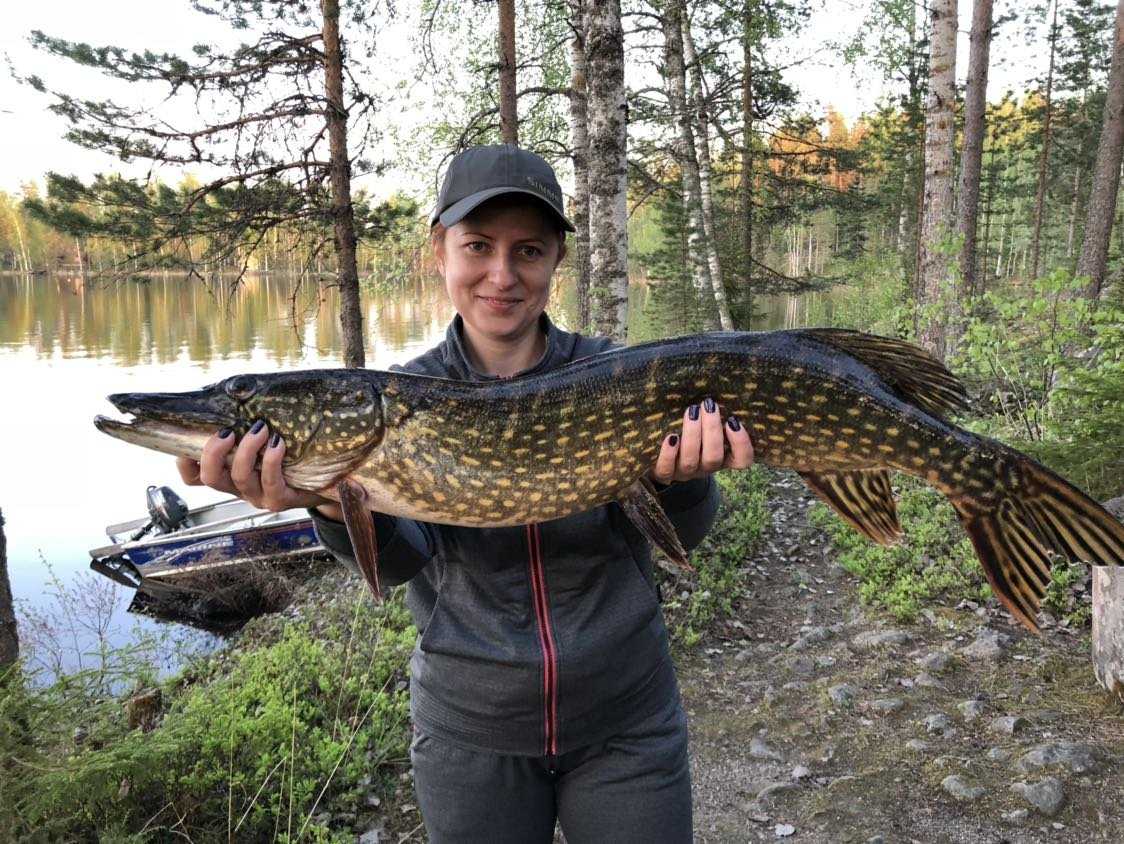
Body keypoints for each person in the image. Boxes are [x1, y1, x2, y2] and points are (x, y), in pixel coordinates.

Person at [176, 144, 754, 843]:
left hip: (626, 720)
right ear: (439, 252)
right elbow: (399, 563)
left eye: (529, 251)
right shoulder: (401, 397)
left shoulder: (616, 375)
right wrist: (329, 502)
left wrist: (682, 483)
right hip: (469, 740)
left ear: (555, 262)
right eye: (477, 246)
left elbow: (682, 537)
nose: (501, 275)